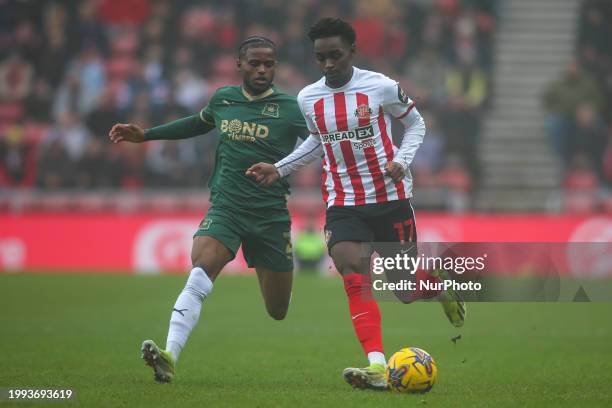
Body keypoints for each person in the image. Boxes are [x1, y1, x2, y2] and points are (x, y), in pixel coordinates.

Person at [247, 18, 465, 391]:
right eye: (321, 57)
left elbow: (416, 125)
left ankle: (440, 288)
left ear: (352, 51)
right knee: (353, 273)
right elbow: (317, 142)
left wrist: (403, 160)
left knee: (405, 289)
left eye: (335, 55)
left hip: (390, 199)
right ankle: (378, 366)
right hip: (343, 202)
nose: (328, 64)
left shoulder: (380, 87)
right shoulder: (308, 97)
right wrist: (279, 169)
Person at [109, 36, 308, 383]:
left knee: (278, 310)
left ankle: (275, 288)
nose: (263, 69)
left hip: (270, 215)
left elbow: (318, 144)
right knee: (202, 265)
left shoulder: (292, 108)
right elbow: (198, 122)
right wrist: (147, 135)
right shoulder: (223, 99)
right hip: (227, 206)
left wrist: (289, 168)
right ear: (239, 65)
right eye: (255, 63)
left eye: (269, 63)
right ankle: (170, 354)